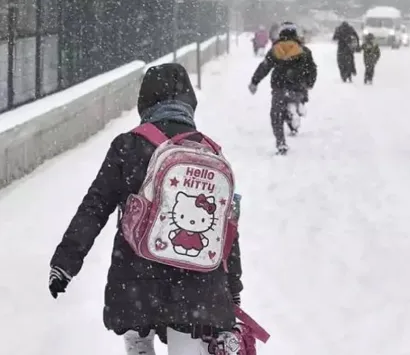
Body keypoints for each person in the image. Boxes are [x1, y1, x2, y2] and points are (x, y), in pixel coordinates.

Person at [48, 63, 244, 354]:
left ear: (145, 101)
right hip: (198, 286)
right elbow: (225, 229)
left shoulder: (128, 146)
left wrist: (65, 263)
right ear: (190, 102)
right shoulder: (210, 152)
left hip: (136, 278)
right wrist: (233, 288)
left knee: (137, 335)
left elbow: (95, 206)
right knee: (189, 343)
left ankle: (139, 343)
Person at [249, 22, 317, 155]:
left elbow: (265, 67)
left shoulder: (276, 50)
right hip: (298, 87)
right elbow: (312, 69)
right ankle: (299, 108)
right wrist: (309, 83)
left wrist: (254, 82)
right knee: (297, 99)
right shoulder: (304, 51)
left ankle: (281, 143)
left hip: (279, 87)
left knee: (276, 115)